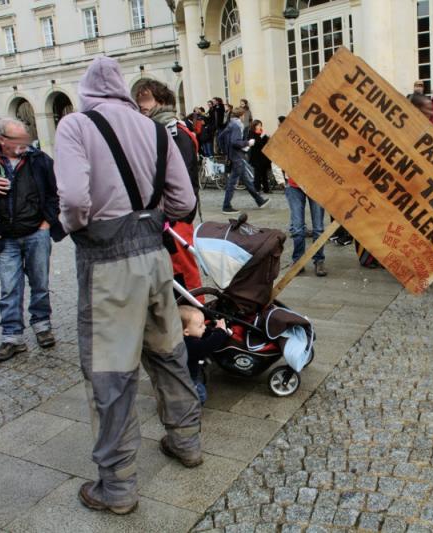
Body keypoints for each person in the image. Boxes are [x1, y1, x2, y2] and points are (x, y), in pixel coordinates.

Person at [54, 56, 203, 515]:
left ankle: (117, 487)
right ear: (122, 90)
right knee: (169, 355)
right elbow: (186, 201)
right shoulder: (155, 128)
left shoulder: (75, 125)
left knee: (112, 374)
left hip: (108, 265)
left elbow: (76, 199)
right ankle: (187, 443)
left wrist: (76, 226)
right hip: (155, 258)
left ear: (86, 93)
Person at [0, 118, 65, 362]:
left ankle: (42, 326)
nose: (23, 143)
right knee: (9, 288)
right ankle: (12, 337)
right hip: (3, 235)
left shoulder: (39, 160)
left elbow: (57, 192)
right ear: (2, 140)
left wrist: (47, 223)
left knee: (40, 283)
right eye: (17, 139)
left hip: (36, 232)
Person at [135, 79, 203, 292]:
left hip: (177, 217)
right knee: (172, 273)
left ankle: (195, 318)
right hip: (166, 216)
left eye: (146, 99)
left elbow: (181, 181)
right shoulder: (156, 130)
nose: (142, 105)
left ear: (161, 101)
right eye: (139, 101)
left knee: (184, 272)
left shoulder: (175, 132)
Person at [219, 108, 270, 214]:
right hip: (237, 157)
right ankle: (226, 206)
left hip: (234, 156)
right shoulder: (237, 126)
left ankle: (259, 200)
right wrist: (248, 143)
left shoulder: (230, 124)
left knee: (246, 180)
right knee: (232, 182)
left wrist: (226, 152)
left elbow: (220, 137)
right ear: (242, 115)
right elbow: (235, 142)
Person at [179, 306, 229, 406]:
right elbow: (208, 346)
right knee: (201, 394)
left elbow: (204, 333)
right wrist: (221, 332)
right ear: (186, 331)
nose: (204, 327)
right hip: (188, 378)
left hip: (184, 373)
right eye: (200, 325)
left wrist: (212, 330)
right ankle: (192, 408)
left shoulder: (186, 337)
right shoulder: (189, 344)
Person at [285, 170, 327, 277]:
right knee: (297, 228)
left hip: (316, 184)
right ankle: (298, 261)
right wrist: (281, 180)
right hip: (294, 185)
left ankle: (319, 260)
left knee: (318, 228)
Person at [248, 120, 272, 194]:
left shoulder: (262, 133)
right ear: (254, 126)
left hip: (263, 156)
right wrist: (261, 137)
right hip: (256, 156)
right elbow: (255, 143)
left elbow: (265, 144)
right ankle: (257, 188)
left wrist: (267, 137)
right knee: (257, 173)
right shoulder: (251, 133)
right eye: (258, 125)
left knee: (264, 173)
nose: (260, 127)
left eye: (260, 125)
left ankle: (266, 189)